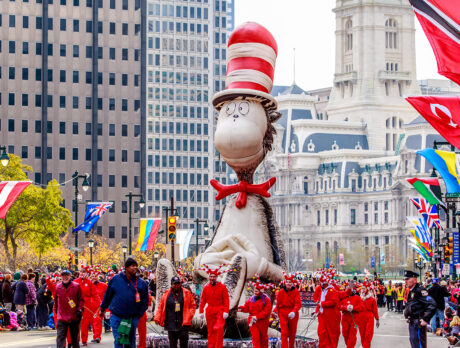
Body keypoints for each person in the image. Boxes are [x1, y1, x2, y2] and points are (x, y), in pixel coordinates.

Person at [100, 258, 149, 348]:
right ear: (126, 268)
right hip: (116, 316)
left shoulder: (142, 283)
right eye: (132, 266)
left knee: (130, 343)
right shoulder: (115, 279)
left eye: (136, 266)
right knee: (118, 341)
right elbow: (107, 296)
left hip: (132, 318)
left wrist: (139, 314)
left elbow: (145, 301)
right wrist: (102, 309)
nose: (135, 268)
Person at [154, 276, 196, 348]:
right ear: (171, 284)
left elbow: (193, 305)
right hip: (170, 324)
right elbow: (161, 306)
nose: (176, 286)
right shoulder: (166, 294)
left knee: (184, 344)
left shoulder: (186, 292)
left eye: (178, 284)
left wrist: (189, 315)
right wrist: (157, 317)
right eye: (174, 284)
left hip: (183, 324)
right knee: (172, 345)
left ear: (180, 284)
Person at [198, 264, 230, 348]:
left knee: (218, 329)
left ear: (216, 277)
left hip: (220, 310)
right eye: (211, 276)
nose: (212, 278)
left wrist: (226, 311)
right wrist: (201, 311)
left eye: (214, 276)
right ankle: (211, 346)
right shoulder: (206, 287)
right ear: (209, 277)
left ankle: (218, 346)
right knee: (210, 331)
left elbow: (226, 299)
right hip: (210, 310)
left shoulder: (222, 287)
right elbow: (203, 300)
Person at [404, 270, 437, 348]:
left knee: (418, 345)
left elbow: (432, 304)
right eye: (405, 280)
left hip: (417, 323)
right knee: (414, 344)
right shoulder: (412, 291)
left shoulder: (420, 290)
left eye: (408, 279)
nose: (406, 281)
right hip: (412, 322)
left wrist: (426, 319)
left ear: (415, 280)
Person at [238, 275, 273, 348]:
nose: (255, 292)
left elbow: (267, 311)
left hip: (263, 322)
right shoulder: (251, 299)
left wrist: (257, 317)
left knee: (263, 338)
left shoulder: (266, 299)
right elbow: (246, 308)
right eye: (254, 291)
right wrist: (239, 308)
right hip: (253, 322)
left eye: (257, 291)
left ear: (261, 291)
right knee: (255, 338)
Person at [55, 269, 84, 348]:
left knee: (74, 338)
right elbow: (56, 301)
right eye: (63, 275)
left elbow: (81, 300)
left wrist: (80, 310)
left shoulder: (76, 286)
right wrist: (56, 311)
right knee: (60, 337)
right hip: (62, 317)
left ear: (70, 276)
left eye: (67, 275)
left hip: (74, 316)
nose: (65, 277)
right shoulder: (58, 287)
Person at [273, 273, 302, 348]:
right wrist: (274, 311)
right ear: (285, 283)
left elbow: (298, 304)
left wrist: (294, 311)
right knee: (284, 333)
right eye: (287, 282)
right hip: (283, 313)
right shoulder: (281, 292)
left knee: (292, 334)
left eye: (290, 282)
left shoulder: (296, 292)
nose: (288, 283)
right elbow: (278, 304)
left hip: (293, 314)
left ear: (292, 283)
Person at [315, 273, 340, 348]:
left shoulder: (331, 290)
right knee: (321, 333)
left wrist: (322, 304)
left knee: (331, 335)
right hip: (322, 315)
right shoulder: (322, 290)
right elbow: (318, 302)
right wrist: (316, 311)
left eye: (320, 282)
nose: (319, 283)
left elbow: (333, 302)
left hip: (330, 317)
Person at [75, 267, 98, 346]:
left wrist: (100, 304)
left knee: (85, 324)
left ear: (86, 274)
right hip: (76, 306)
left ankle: (84, 340)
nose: (82, 274)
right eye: (81, 272)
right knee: (76, 323)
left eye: (83, 272)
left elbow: (95, 294)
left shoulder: (89, 283)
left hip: (86, 306)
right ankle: (76, 339)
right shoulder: (75, 282)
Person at [339, 282, 363, 348]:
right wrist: (345, 308)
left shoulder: (357, 297)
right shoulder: (343, 298)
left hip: (354, 319)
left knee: (352, 336)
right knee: (345, 335)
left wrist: (354, 308)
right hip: (345, 318)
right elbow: (339, 306)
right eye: (347, 288)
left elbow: (361, 307)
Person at [357, 281, 379, 348]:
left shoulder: (372, 299)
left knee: (368, 335)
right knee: (362, 336)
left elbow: (375, 310)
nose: (362, 290)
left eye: (364, 288)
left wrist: (377, 319)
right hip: (361, 318)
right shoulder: (359, 299)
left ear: (367, 289)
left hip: (369, 318)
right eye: (362, 288)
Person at [89, 272, 107, 343]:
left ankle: (97, 336)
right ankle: (95, 336)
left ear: (97, 277)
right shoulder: (88, 285)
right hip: (89, 307)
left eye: (95, 276)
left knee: (97, 321)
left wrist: (106, 308)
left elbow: (108, 296)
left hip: (99, 307)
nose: (93, 277)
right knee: (92, 322)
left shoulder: (104, 285)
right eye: (92, 276)